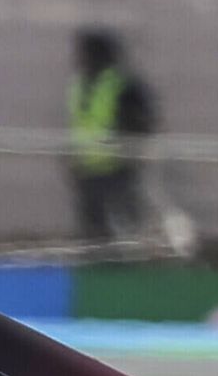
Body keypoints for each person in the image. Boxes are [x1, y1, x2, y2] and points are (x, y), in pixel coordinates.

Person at [64, 26, 157, 242]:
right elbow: (79, 125)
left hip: (118, 168)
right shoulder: (78, 85)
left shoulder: (123, 85)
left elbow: (144, 122)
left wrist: (131, 149)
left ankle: (127, 267)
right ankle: (98, 266)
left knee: (124, 224)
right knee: (93, 229)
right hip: (87, 169)